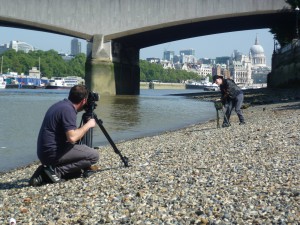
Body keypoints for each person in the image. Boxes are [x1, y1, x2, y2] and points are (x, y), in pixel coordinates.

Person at [29, 85, 99, 186]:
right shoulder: (68, 110)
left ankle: (47, 170)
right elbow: (72, 138)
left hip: (45, 152)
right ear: (84, 101)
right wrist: (88, 125)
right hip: (52, 153)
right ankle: (54, 171)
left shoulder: (61, 105)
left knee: (76, 173)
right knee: (93, 156)